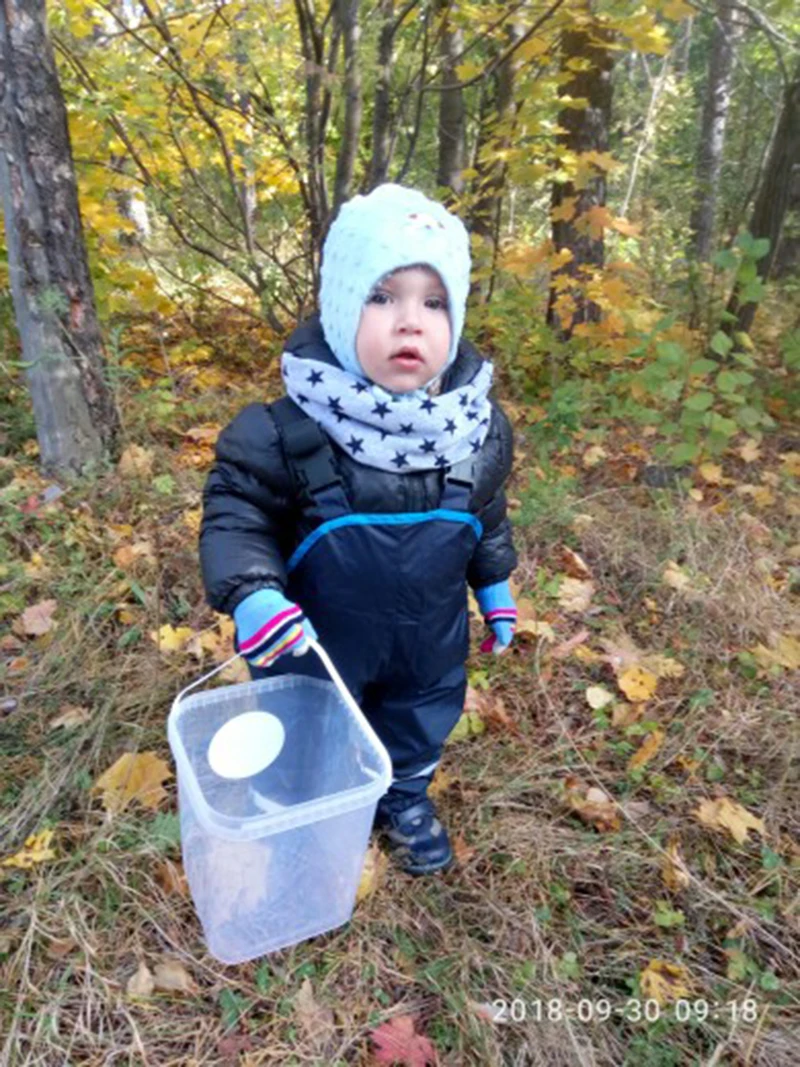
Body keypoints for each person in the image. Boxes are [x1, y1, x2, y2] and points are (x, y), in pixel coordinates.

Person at [200, 183, 518, 875]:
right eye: (383, 297)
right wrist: (253, 590)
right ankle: (293, 807)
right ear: (343, 308)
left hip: (428, 635)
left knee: (421, 708)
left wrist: (493, 583)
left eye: (433, 303)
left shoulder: (477, 429)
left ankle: (401, 796)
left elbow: (485, 513)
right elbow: (237, 514)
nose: (411, 323)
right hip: (311, 639)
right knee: (303, 722)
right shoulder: (282, 432)